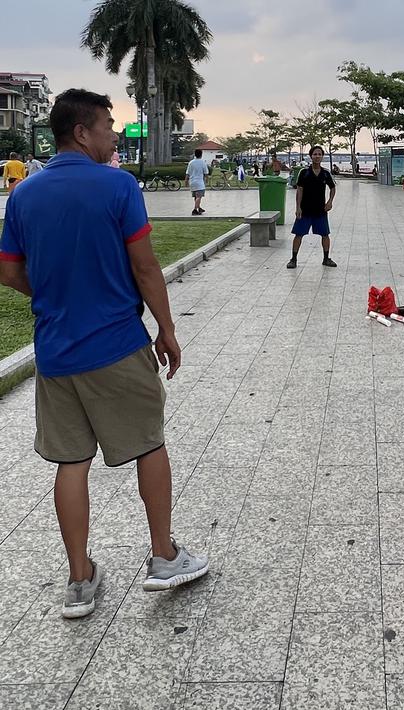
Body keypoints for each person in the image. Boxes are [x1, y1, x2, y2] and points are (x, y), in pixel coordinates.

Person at [0, 88, 208, 619]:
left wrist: (52, 295)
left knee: (71, 463)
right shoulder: (118, 185)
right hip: (116, 343)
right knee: (149, 445)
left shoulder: (23, 195)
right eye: (109, 125)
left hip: (55, 354)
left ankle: (80, 580)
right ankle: (163, 555)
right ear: (82, 132)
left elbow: (8, 271)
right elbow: (144, 268)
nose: (115, 134)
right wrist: (166, 329)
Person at [286, 145, 337, 269]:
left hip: (320, 210)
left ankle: (326, 258)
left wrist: (330, 202)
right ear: (311, 156)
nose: (317, 156)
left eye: (320, 154)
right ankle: (293, 259)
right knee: (298, 234)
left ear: (322, 156)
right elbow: (299, 190)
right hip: (305, 210)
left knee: (325, 234)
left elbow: (333, 188)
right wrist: (298, 207)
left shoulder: (325, 173)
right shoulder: (304, 172)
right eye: (315, 154)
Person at [185, 148, 209, 215]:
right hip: (199, 182)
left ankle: (199, 208)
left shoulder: (191, 163)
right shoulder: (202, 162)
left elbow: (187, 173)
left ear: (195, 154)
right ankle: (195, 210)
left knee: (196, 196)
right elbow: (206, 173)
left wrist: (186, 181)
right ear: (201, 155)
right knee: (199, 196)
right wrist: (207, 180)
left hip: (192, 182)